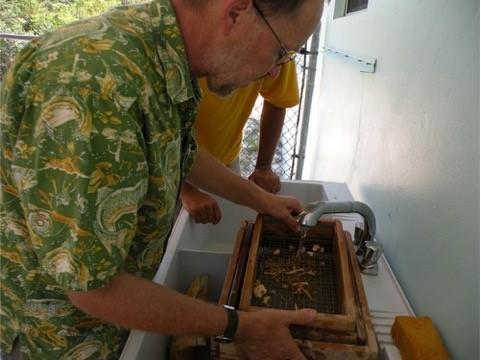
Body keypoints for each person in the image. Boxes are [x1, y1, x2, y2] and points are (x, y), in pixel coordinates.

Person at [0, 0, 324, 359]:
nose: (274, 73)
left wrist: (263, 201)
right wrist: (239, 327)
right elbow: (92, 288)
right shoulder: (94, 85)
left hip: (105, 328)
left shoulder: (160, 54)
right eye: (281, 51)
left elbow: (180, 151)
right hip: (53, 341)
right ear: (236, 12)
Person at [181, 61, 299, 224]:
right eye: (277, 56)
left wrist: (263, 167)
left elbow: (277, 99)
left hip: (224, 159)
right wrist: (184, 190)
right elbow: (161, 138)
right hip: (170, 169)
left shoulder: (282, 46)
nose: (275, 73)